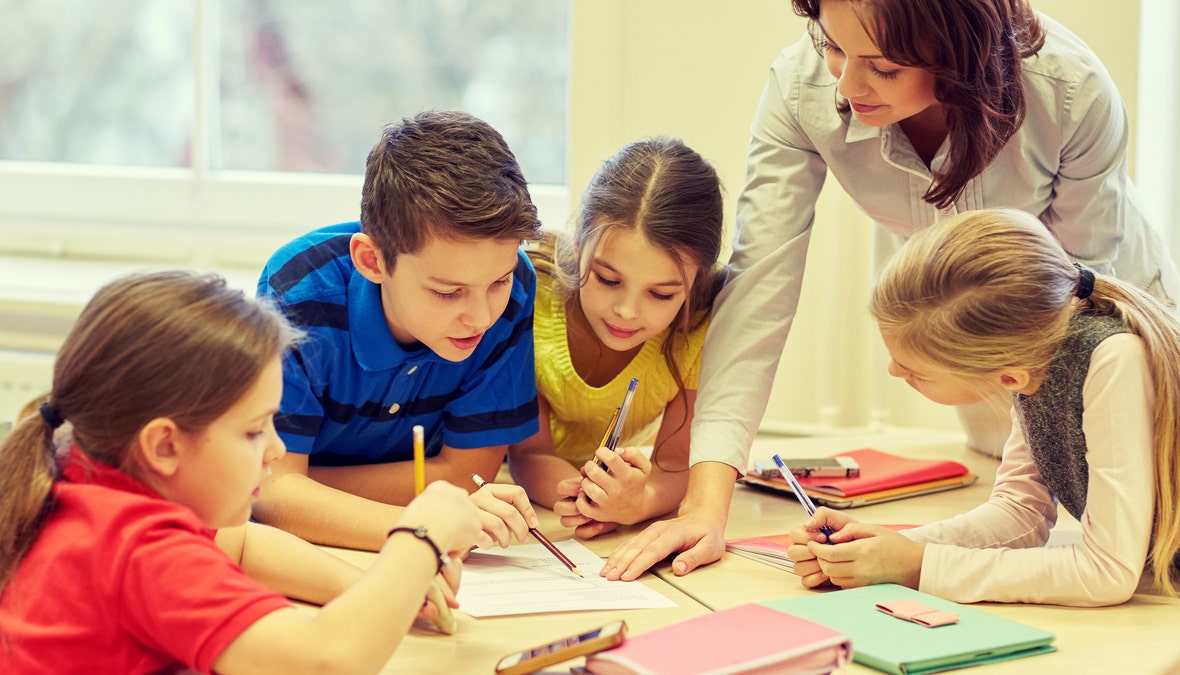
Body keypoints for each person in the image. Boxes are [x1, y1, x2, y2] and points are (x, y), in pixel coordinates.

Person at [600, 0, 1180, 582]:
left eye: (883, 67)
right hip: (977, 343)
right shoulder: (801, 87)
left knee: (1148, 533)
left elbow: (1107, 567)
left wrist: (917, 565)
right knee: (1024, 490)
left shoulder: (1070, 90)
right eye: (831, 46)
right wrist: (706, 508)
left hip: (1096, 316)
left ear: (958, 55)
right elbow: (757, 291)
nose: (848, 84)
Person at [0, 270, 486, 672]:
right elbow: (325, 660)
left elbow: (243, 544)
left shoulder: (80, 472)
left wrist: (382, 588)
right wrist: (420, 535)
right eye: (254, 431)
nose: (275, 449)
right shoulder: (140, 547)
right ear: (164, 444)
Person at [788, 209, 1180, 606]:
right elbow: (1019, 514)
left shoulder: (1112, 360)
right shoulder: (1035, 352)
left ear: (1008, 377)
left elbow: (1106, 573)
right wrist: (882, 550)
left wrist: (916, 567)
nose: (894, 371)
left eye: (916, 372)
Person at [255, 110, 544, 551]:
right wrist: (422, 528)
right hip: (311, 548)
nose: (483, 317)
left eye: (498, 282)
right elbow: (271, 497)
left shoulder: (517, 286)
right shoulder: (299, 295)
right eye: (448, 293)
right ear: (372, 261)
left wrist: (302, 483)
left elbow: (467, 474)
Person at [508, 137, 725, 538]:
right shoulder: (532, 295)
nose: (626, 311)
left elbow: (676, 465)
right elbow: (528, 453)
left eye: (661, 294)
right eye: (608, 279)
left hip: (611, 484)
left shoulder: (701, 326)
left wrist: (638, 502)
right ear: (578, 244)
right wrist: (574, 493)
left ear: (696, 281)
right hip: (512, 487)